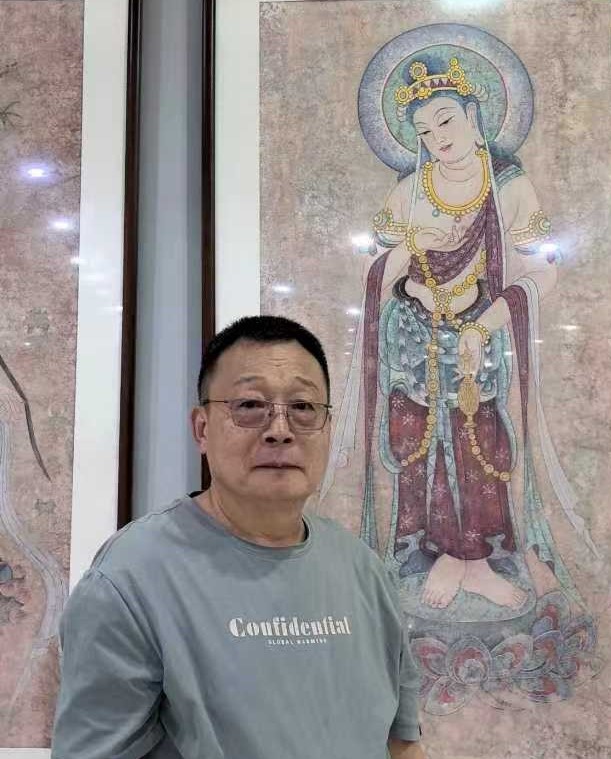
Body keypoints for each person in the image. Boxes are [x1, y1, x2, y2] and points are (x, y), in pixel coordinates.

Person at [51, 315, 425, 759]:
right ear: (202, 428)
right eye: (250, 405)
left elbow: (402, 744)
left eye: (303, 407)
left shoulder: (363, 570)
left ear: (327, 426)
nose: (280, 430)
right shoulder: (130, 580)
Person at [322, 53, 599, 627]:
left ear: (475, 116)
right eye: (424, 131)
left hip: (478, 337)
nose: (438, 138)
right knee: (416, 441)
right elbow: (376, 270)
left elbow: (542, 269)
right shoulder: (409, 190)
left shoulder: (510, 187)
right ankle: (437, 554)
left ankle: (476, 559)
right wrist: (413, 260)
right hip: (412, 339)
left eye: (446, 120)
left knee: (479, 442)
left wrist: (485, 323)